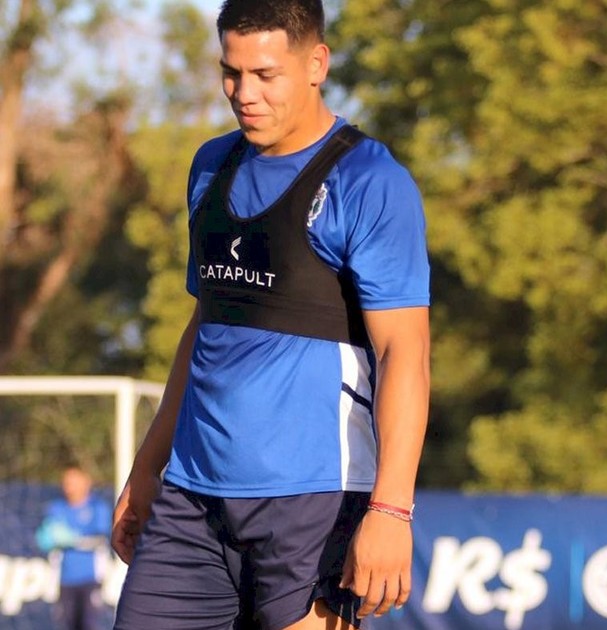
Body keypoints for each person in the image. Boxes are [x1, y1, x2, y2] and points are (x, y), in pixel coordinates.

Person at [110, 1, 431, 628]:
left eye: (265, 74)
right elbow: (205, 329)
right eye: (231, 73)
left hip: (313, 502)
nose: (244, 93)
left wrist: (392, 509)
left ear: (317, 64)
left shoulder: (369, 180)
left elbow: (406, 353)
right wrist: (148, 468)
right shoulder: (211, 166)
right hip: (192, 499)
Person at [37, 466, 112, 630]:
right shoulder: (56, 508)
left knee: (89, 624)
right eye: (66, 482)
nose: (69, 486)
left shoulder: (97, 508)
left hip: (91, 579)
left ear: (86, 482)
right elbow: (45, 538)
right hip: (64, 580)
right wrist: (47, 539)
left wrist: (75, 540)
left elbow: (101, 539)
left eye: (73, 481)